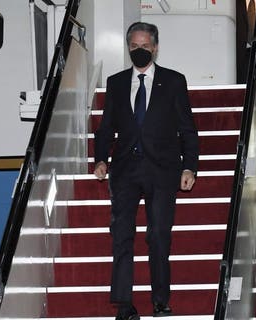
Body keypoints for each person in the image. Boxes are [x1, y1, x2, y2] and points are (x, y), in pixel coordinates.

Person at [93, 22, 199, 320]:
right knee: (122, 236)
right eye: (133, 46)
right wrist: (101, 159)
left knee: (158, 236)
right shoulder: (115, 83)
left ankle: (160, 301)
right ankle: (124, 306)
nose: (139, 51)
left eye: (144, 46)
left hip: (162, 170)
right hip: (125, 170)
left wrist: (190, 165)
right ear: (128, 47)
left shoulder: (174, 81)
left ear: (155, 47)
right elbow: (105, 128)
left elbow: (187, 129)